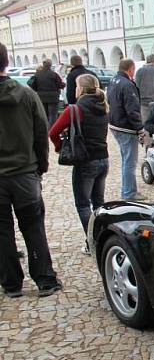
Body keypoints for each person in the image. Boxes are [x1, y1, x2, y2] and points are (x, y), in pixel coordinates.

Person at [0, 43, 62, 298]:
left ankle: (11, 283)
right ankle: (45, 280)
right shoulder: (26, 95)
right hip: (25, 174)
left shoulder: (27, 93)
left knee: (1, 232)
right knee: (33, 227)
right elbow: (41, 134)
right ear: (6, 62)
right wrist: (41, 166)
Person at [48, 74, 109, 254]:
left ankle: (93, 243)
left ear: (80, 88)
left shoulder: (75, 109)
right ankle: (104, 239)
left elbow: (53, 132)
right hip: (103, 159)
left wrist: (60, 147)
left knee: (83, 205)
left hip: (86, 161)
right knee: (99, 203)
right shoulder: (103, 106)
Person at [107, 58, 146, 200]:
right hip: (126, 127)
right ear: (131, 69)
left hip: (115, 123)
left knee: (126, 159)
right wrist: (140, 128)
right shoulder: (127, 85)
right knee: (130, 161)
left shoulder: (113, 81)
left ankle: (129, 189)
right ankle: (129, 193)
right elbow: (132, 109)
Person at [27, 59, 65, 127]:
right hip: (53, 98)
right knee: (53, 116)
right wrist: (64, 84)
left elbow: (30, 83)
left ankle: (45, 130)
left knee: (44, 115)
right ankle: (51, 131)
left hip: (41, 97)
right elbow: (60, 85)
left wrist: (37, 90)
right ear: (50, 65)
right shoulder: (54, 74)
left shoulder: (37, 74)